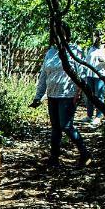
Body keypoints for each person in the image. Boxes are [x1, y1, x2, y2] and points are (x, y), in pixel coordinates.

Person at [29, 23, 90, 169]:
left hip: (68, 96)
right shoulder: (50, 52)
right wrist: (38, 96)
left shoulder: (74, 50)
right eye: (56, 33)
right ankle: (54, 158)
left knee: (67, 126)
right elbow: (43, 75)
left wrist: (79, 93)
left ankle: (85, 153)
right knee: (56, 128)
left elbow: (81, 74)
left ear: (67, 34)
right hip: (52, 96)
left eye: (61, 33)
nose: (59, 36)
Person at [82, 30, 105, 124]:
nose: (97, 38)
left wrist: (103, 62)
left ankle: (99, 116)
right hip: (90, 75)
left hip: (100, 76)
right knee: (89, 96)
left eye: (99, 35)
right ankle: (89, 115)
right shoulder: (91, 48)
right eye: (95, 36)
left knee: (99, 96)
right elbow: (87, 61)